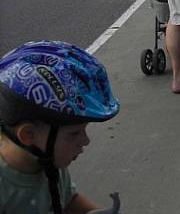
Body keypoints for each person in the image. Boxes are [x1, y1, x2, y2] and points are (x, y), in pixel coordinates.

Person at [0, 41, 120, 214]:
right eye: (74, 134)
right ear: (28, 134)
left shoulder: (48, 159)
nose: (85, 141)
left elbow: (68, 201)